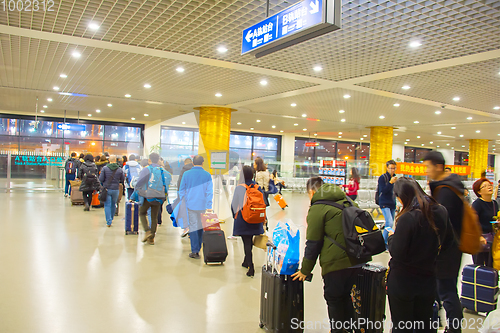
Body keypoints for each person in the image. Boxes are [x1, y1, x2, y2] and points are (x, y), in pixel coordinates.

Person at [292, 177, 369, 333]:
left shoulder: (317, 208)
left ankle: (337, 330)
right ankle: (348, 329)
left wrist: (305, 270)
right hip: (359, 258)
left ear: (312, 192)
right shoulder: (348, 201)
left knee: (334, 298)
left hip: (336, 263)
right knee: (346, 296)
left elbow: (313, 243)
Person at [386, 177, 453, 333]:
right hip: (428, 279)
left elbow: (397, 252)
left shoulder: (407, 217)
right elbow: (449, 242)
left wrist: (391, 237)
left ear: (402, 196)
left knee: (402, 326)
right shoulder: (440, 210)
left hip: (403, 281)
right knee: (424, 325)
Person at [424, 151, 464, 333]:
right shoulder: (450, 186)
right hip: (453, 247)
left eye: (428, 167)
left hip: (446, 250)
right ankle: (437, 323)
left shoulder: (445, 191)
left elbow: (440, 223)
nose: (426, 171)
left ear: (438, 167)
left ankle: (454, 328)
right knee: (443, 289)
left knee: (446, 290)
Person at [231, 165, 265, 277]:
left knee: (246, 242)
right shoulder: (257, 187)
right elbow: (263, 203)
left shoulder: (240, 187)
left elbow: (234, 205)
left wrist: (234, 216)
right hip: (256, 218)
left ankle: (251, 267)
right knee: (249, 240)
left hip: (243, 219)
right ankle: (246, 262)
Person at [179, 155, 213, 259]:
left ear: (193, 163)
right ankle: (199, 247)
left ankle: (195, 251)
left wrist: (183, 201)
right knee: (201, 227)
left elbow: (181, 190)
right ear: (202, 163)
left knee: (193, 227)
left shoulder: (186, 174)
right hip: (202, 205)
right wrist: (209, 206)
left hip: (191, 205)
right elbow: (209, 192)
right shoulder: (207, 175)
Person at [134, 153, 171, 245]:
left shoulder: (147, 169)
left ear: (149, 160)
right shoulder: (163, 170)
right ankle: (152, 238)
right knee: (154, 217)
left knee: (142, 212)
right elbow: (166, 183)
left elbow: (139, 183)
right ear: (158, 160)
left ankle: (147, 231)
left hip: (148, 196)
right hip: (159, 196)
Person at [472, 178, 498, 267]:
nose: (489, 187)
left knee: (492, 265)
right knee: (479, 266)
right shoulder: (477, 204)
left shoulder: (495, 204)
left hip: (492, 239)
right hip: (480, 239)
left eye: (490, 185)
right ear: (479, 192)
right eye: (485, 186)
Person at [99, 155, 124, 227]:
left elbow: (101, 179)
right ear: (115, 160)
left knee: (107, 205)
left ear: (109, 160)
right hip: (116, 189)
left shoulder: (105, 168)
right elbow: (122, 179)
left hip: (107, 189)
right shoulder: (119, 169)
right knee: (113, 204)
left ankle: (108, 221)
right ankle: (111, 218)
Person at [378, 160, 398, 245]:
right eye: (391, 168)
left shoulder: (395, 177)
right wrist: (390, 183)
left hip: (392, 203)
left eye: (394, 168)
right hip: (384, 202)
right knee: (389, 222)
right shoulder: (383, 178)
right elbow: (383, 191)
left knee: (390, 223)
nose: (392, 170)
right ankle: (383, 243)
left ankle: (386, 242)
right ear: (387, 168)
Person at [177, 157, 193, 238]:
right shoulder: (195, 170)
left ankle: (186, 228)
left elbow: (180, 183)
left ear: (185, 163)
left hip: (185, 194)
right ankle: (192, 231)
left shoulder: (183, 170)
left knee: (185, 212)